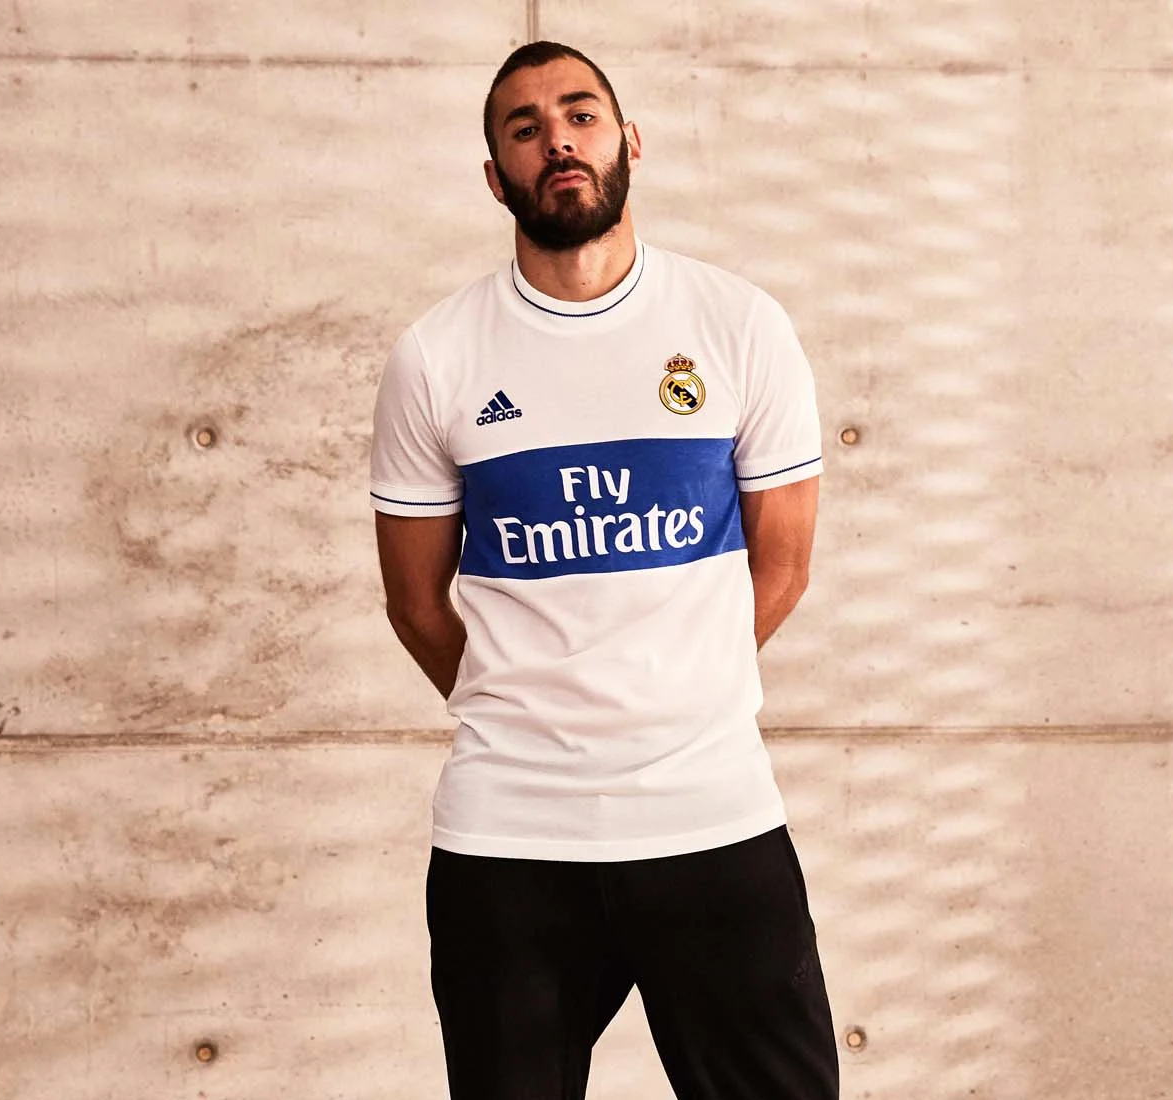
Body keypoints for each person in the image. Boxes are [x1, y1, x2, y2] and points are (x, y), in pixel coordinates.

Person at [369, 40, 837, 1100]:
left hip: (711, 813)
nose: (558, 141)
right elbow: (414, 602)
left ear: (629, 140)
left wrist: (676, 690)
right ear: (496, 178)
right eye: (525, 129)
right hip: (509, 836)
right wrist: (526, 707)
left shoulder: (737, 325)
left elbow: (784, 564)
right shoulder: (437, 357)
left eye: (580, 116)